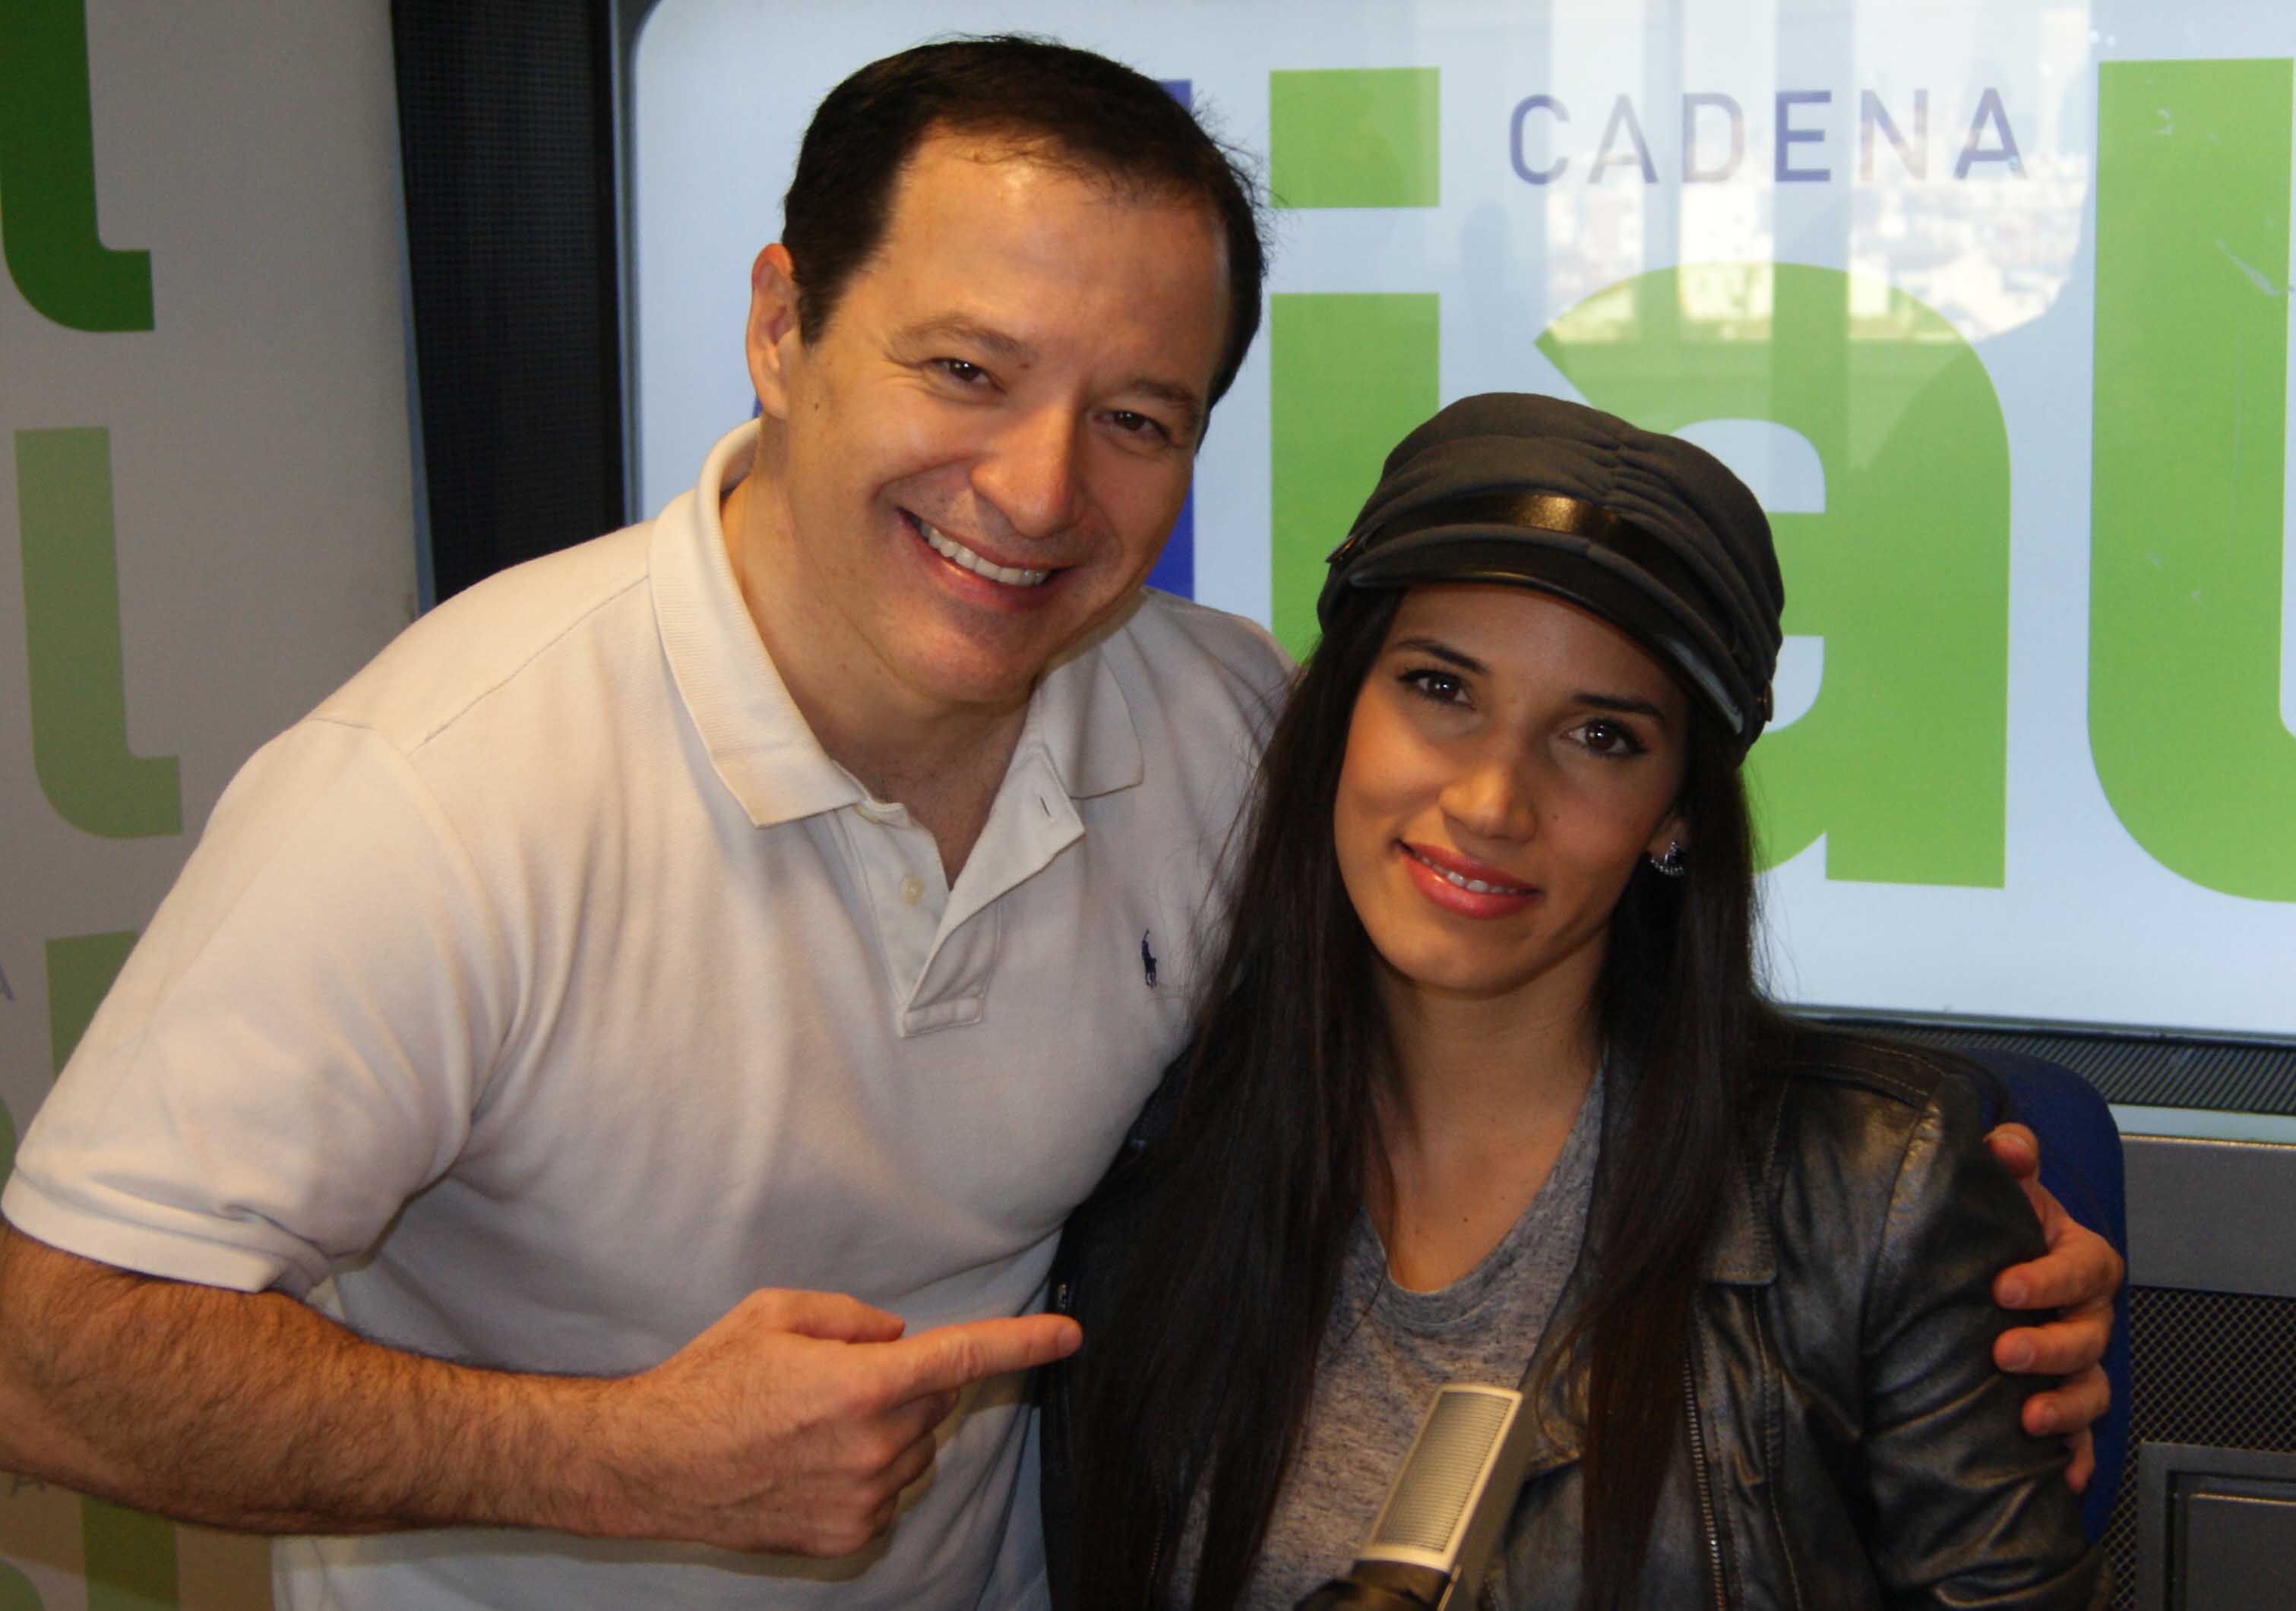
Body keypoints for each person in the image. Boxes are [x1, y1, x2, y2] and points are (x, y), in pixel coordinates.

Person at [0, 36, 2111, 1611]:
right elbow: (47, 1355)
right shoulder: (443, 794)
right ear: (779, 325)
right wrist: (617, 1457)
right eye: (964, 371)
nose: (1033, 491)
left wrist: (1923, 1267)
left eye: (1132, 417)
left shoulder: (1209, 731)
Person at [1043, 394, 2106, 1609]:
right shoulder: (1149, 1168)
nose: (1491, 801)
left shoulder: (1868, 1195)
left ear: (1674, 814)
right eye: (1439, 687)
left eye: (1599, 735)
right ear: (1337, 713)